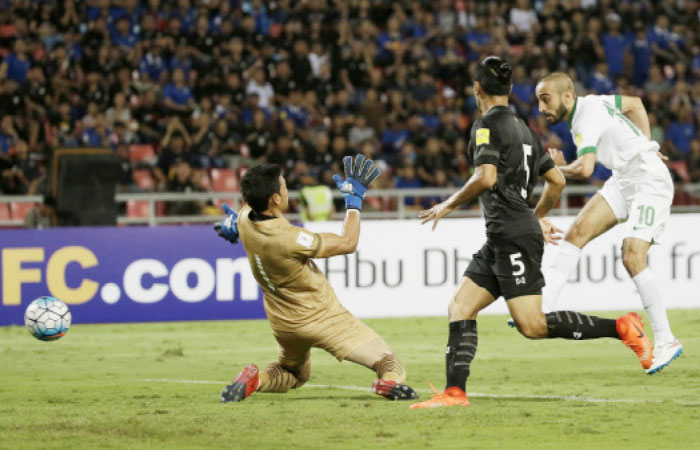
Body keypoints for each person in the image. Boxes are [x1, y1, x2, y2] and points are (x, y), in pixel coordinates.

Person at [410, 57, 652, 410]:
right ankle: (454, 392)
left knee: (533, 325)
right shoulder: (525, 130)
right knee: (461, 306)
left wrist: (448, 203)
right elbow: (556, 179)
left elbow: (486, 177)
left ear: (477, 89)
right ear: (508, 90)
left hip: (511, 235)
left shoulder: (484, 126)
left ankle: (622, 327)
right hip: (504, 233)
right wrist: (535, 215)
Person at [214, 155, 418, 402]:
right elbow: (347, 243)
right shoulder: (289, 238)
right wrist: (354, 203)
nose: (288, 191)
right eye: (284, 187)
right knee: (389, 362)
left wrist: (233, 224)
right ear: (275, 198)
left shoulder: (246, 218)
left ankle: (256, 381)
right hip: (322, 318)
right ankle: (388, 383)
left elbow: (242, 217)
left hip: (284, 323)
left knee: (293, 373)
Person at [535, 72, 682, 375]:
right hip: (624, 178)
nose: (541, 108)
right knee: (575, 233)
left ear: (567, 96)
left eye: (545, 99)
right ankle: (544, 305)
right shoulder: (595, 102)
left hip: (648, 181)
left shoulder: (585, 117)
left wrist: (556, 167)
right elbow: (635, 104)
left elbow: (586, 169)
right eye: (539, 100)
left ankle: (667, 340)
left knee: (632, 255)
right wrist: (648, 142)